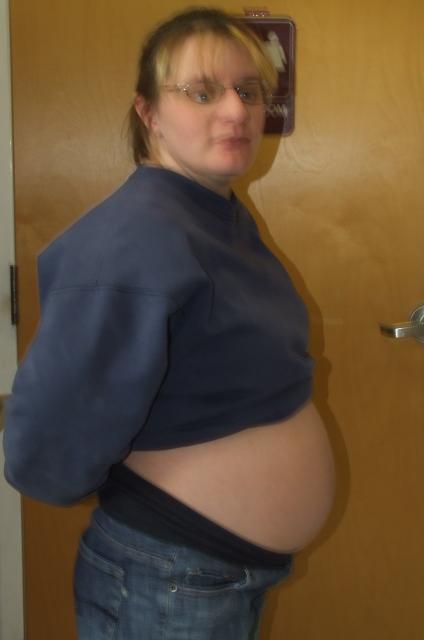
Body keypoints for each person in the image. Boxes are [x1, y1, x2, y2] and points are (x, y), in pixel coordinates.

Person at [3, 7, 335, 639]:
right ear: (149, 113)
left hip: (208, 575)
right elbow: (47, 444)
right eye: (202, 92)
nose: (236, 111)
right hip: (169, 577)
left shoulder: (215, 215)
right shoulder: (132, 241)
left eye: (248, 91)